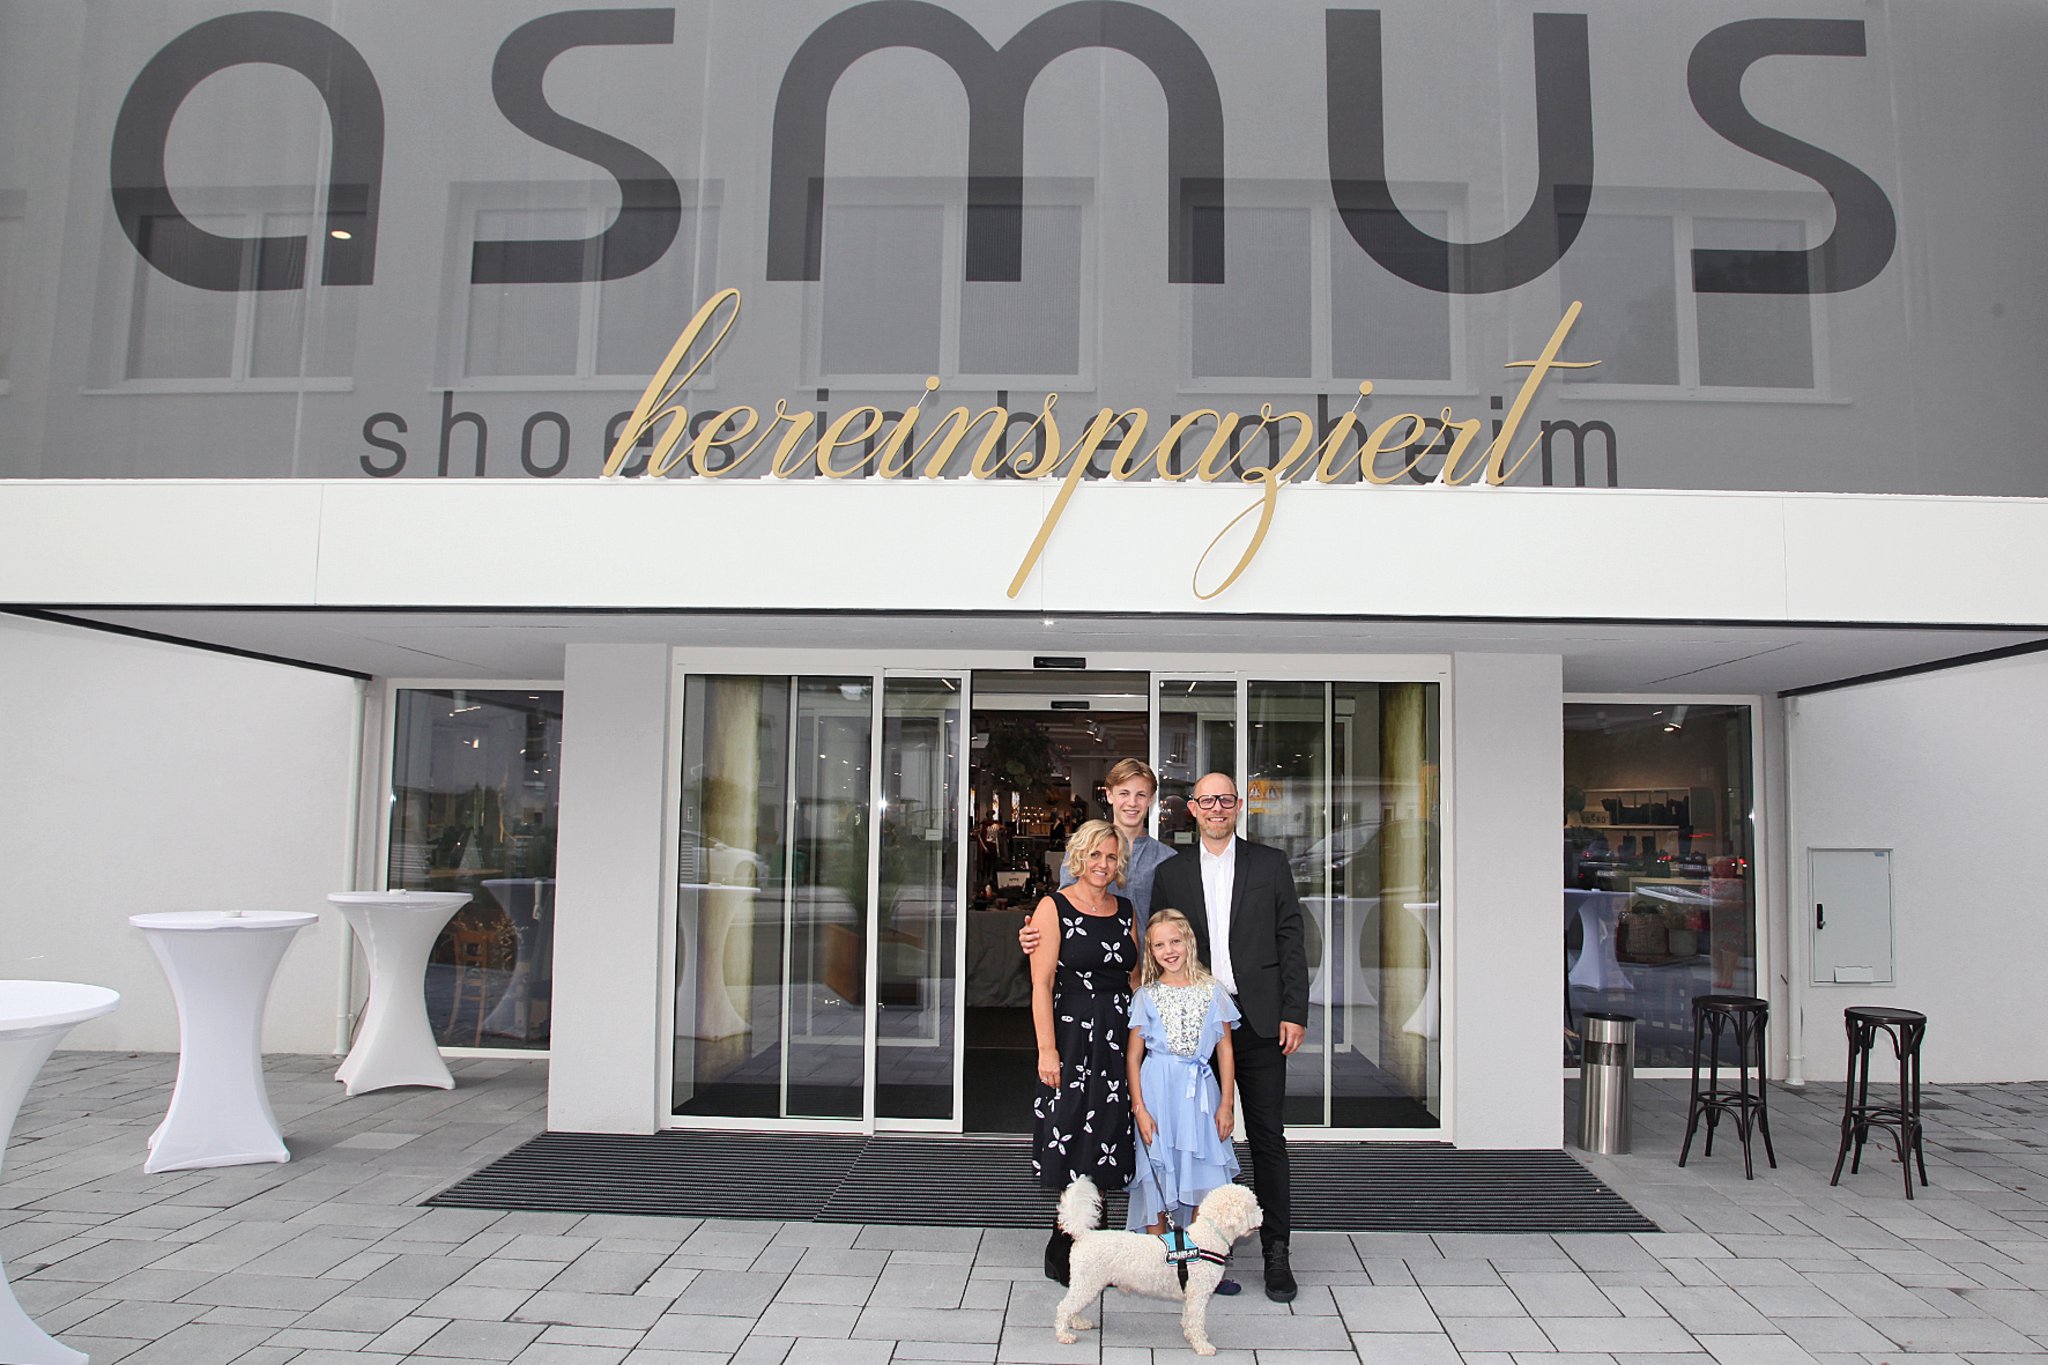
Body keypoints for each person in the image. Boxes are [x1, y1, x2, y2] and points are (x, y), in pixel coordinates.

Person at [1149, 772, 1308, 1303]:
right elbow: (1158, 945)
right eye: (1207, 800)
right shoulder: (1171, 873)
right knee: (1197, 1144)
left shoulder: (1270, 864)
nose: (1216, 808)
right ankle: (1201, 1255)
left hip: (1260, 1023)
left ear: (1238, 806)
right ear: (1192, 809)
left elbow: (1291, 939)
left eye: (1225, 799)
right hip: (1197, 1030)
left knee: (1267, 1140)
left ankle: (1277, 1253)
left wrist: (1294, 1011)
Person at [1029, 818, 1140, 1286]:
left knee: (1109, 1130)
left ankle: (1096, 1238)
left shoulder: (1125, 909)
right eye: (1095, 854)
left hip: (1117, 1036)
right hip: (1072, 1035)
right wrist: (1047, 1050)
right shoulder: (1053, 906)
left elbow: (1135, 978)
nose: (1103, 864)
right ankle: (1064, 1243)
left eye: (1111, 856)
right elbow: (1041, 984)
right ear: (1079, 856)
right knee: (1069, 1127)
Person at [1126, 908, 1244, 1294]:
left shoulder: (1213, 991)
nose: (1169, 950)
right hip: (1158, 1092)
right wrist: (1140, 1109)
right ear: (1150, 951)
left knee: (1202, 1174)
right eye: (1159, 945)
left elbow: (1225, 1050)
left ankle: (1198, 1264)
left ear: (1189, 941)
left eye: (1175, 941)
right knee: (1158, 1174)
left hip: (1200, 1096)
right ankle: (1160, 1264)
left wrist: (1226, 1104)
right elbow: (1133, 1057)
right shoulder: (1146, 996)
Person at [1020, 758, 1172, 956]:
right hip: (1090, 963)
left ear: (1151, 799)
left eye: (1141, 795)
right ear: (1109, 795)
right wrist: (1036, 934)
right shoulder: (1082, 850)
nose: (1132, 803)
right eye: (1124, 793)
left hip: (1151, 965)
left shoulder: (1167, 859)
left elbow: (1176, 922)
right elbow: (1063, 908)